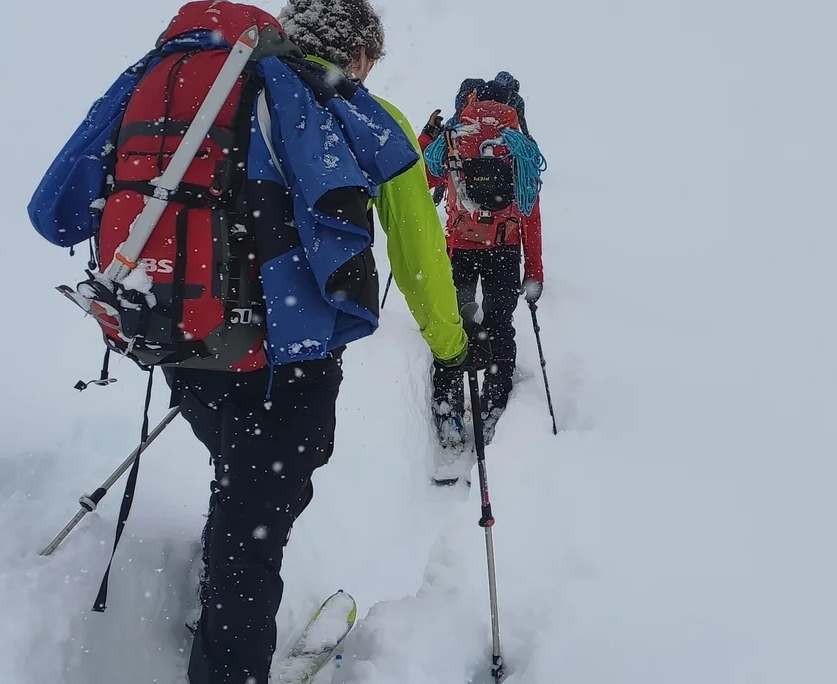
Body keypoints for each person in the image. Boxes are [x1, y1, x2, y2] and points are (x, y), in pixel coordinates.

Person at [28, 2, 487, 683]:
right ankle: (229, 653)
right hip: (287, 365)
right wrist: (451, 348)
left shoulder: (183, 86)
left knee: (242, 490)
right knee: (256, 527)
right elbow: (419, 255)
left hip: (181, 337)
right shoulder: (356, 111)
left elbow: (52, 212)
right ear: (357, 54)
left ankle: (223, 604)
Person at [417, 72, 546, 468]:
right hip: (504, 249)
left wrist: (427, 135)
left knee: (452, 323)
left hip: (458, 246)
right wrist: (535, 269)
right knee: (499, 324)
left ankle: (448, 410)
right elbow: (530, 213)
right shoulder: (519, 145)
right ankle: (492, 410)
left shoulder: (454, 137)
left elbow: (421, 176)